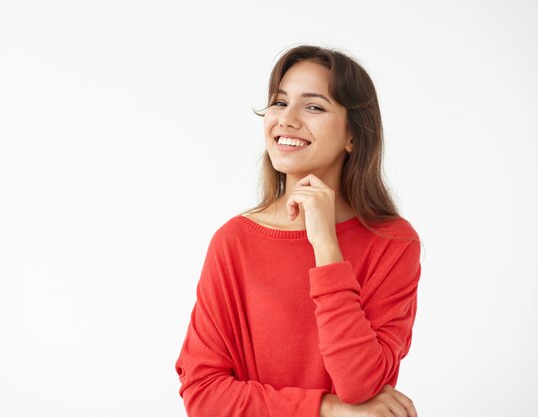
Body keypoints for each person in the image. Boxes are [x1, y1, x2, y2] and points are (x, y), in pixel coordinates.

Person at [175, 44, 422, 417]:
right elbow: (203, 394)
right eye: (278, 102)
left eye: (313, 106)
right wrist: (326, 409)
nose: (286, 119)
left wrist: (326, 244)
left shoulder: (393, 242)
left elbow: (360, 384)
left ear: (352, 136)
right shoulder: (234, 242)